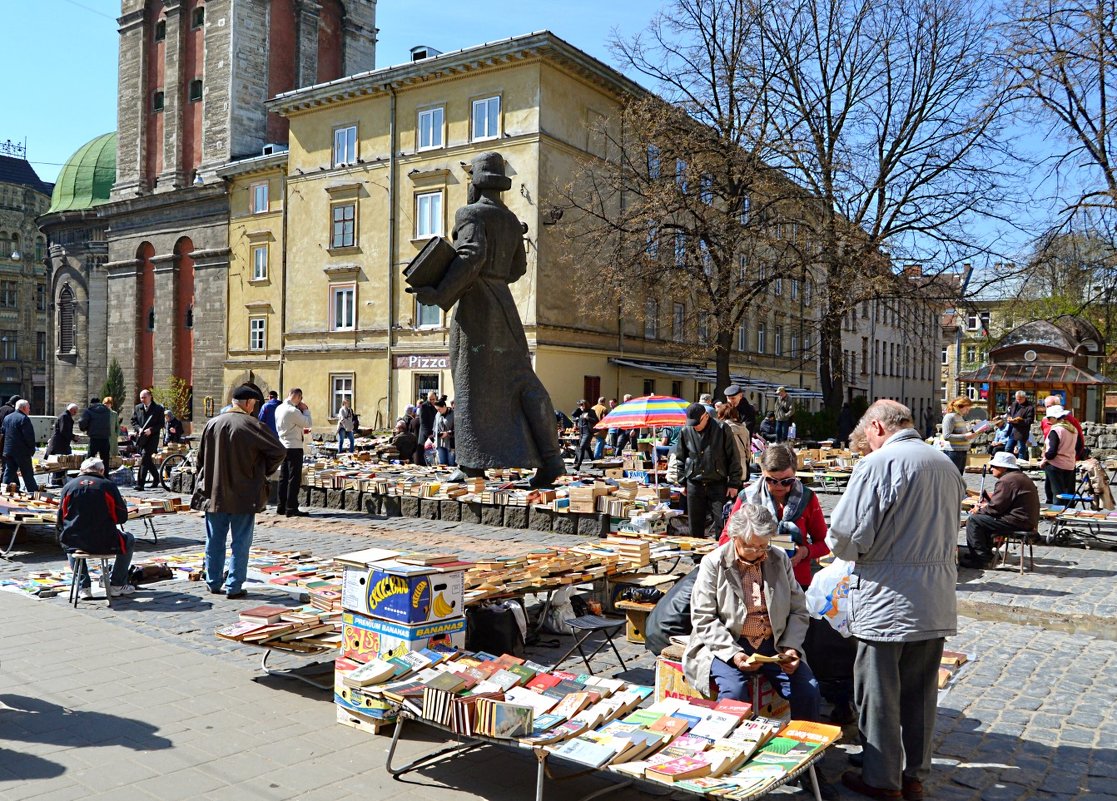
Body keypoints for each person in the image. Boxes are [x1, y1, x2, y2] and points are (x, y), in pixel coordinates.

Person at [826, 400, 964, 801]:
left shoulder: (878, 464)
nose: (866, 442)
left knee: (879, 693)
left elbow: (847, 535)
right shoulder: (944, 464)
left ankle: (881, 779)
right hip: (935, 596)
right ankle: (914, 775)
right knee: (921, 694)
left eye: (866, 434)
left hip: (888, 597)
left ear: (877, 427)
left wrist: (853, 553)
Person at [684, 503, 820, 720]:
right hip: (728, 643)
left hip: (773, 642)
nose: (757, 552)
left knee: (808, 689)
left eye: (762, 546)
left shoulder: (778, 557)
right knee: (735, 694)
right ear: (734, 537)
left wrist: (791, 647)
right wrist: (735, 655)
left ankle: (803, 747)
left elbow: (798, 609)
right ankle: (730, 748)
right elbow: (704, 618)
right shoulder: (713, 562)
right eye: (750, 546)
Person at [192, 383, 286, 598]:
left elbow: (200, 461)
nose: (253, 408)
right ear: (247, 403)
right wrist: (263, 471)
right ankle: (234, 585)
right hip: (244, 493)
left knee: (214, 539)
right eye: (253, 404)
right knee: (241, 542)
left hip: (214, 493)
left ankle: (213, 581)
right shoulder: (252, 424)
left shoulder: (212, 424)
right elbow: (279, 451)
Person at [721, 444, 829, 590]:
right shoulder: (748, 497)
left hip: (796, 580)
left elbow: (826, 543)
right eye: (771, 480)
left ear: (795, 475)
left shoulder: (807, 498)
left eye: (787, 481)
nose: (779, 486)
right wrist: (752, 548)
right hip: (755, 580)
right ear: (763, 474)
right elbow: (725, 540)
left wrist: (804, 552)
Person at [57, 457, 135, 599]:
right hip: (105, 540)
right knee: (128, 539)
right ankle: (116, 584)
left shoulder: (68, 486)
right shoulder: (108, 486)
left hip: (76, 540)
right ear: (101, 471)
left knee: (68, 540)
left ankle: (83, 587)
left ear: (81, 470)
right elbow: (121, 517)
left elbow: (61, 519)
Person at [666, 402, 743, 538]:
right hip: (694, 483)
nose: (695, 426)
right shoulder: (686, 431)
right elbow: (680, 458)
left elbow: (733, 457)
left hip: (717, 482)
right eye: (692, 423)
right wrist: (682, 481)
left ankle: (721, 552)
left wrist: (734, 483)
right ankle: (697, 556)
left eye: (697, 423)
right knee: (695, 525)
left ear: (706, 416)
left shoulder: (722, 428)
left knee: (721, 523)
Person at [960, 451, 1040, 569]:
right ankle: (985, 553)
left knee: (974, 520)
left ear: (1003, 467)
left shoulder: (1007, 480)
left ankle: (980, 558)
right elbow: (1000, 504)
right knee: (983, 520)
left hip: (1018, 521)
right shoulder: (1018, 477)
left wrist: (979, 510)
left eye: (994, 466)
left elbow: (995, 508)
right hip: (1023, 520)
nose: (991, 469)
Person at [275, 388, 312, 517]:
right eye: (300, 399)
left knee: (283, 477)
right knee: (294, 477)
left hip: (282, 444)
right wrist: (306, 409)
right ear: (297, 397)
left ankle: (281, 506)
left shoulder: (279, 408)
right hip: (294, 446)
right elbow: (307, 423)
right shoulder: (293, 410)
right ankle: (291, 507)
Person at [1041, 405, 1078, 504]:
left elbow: (1052, 452)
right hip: (1069, 464)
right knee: (1065, 493)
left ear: (1054, 418)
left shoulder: (1056, 430)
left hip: (1056, 465)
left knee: (1057, 494)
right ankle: (1063, 514)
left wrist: (1045, 456)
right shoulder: (1073, 429)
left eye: (1049, 418)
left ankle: (1058, 517)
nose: (1048, 420)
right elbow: (1077, 447)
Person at [130, 389, 165, 491]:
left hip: (152, 438)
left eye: (144, 397)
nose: (142, 400)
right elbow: (133, 421)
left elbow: (161, 424)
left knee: (145, 457)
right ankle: (157, 477)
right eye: (141, 398)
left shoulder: (158, 409)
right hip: (141, 438)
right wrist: (138, 429)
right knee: (147, 459)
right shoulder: (138, 408)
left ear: (150, 397)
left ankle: (140, 484)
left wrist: (151, 430)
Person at [2, 399, 38, 492]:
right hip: (22, 452)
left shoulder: (7, 418)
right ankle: (33, 493)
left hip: (8, 451)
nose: (29, 410)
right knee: (27, 474)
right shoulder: (24, 418)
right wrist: (31, 450)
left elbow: (3, 433)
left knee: (8, 472)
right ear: (24, 408)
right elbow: (29, 437)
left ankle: (3, 491)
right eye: (28, 408)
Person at [1040, 395, 1086, 460]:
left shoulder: (1071, 420)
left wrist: (1075, 458)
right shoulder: (1045, 420)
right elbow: (1046, 439)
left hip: (1066, 459)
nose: (1049, 409)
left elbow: (1080, 439)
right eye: (1047, 407)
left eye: (1051, 406)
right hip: (1050, 457)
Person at [940, 396, 977, 473]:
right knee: (953, 478)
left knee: (958, 478)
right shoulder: (949, 417)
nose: (967, 412)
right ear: (960, 406)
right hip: (953, 452)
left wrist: (973, 431)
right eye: (967, 409)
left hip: (962, 451)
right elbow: (946, 436)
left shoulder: (959, 417)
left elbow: (961, 432)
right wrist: (965, 436)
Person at [717, 404, 752, 483]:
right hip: (741, 469)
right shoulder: (744, 429)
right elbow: (748, 452)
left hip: (724, 470)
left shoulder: (720, 429)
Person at [46, 403, 79, 487]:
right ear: (71, 410)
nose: (76, 413)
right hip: (59, 445)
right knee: (59, 464)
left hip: (62, 444)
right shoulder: (64, 417)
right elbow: (64, 431)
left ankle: (59, 480)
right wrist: (73, 437)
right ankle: (57, 481)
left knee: (62, 463)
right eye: (75, 411)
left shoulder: (66, 416)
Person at [78, 397, 112, 463]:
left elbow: (82, 422)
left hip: (94, 437)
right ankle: (105, 473)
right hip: (105, 438)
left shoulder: (89, 410)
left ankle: (90, 472)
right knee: (105, 459)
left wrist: (84, 429)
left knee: (90, 459)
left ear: (91, 404)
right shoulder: (107, 410)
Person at [1005, 390, 1035, 460]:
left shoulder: (1029, 407)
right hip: (1012, 430)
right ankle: (1008, 463)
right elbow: (1008, 413)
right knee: (1008, 448)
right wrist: (1008, 417)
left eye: (1020, 399)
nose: (1018, 401)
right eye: (1017, 399)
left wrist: (1018, 421)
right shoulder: (1014, 404)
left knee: (1021, 449)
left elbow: (1029, 421)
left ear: (1024, 398)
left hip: (1021, 432)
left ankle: (1021, 464)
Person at [571, 400, 599, 471]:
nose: (581, 407)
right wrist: (578, 409)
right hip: (581, 433)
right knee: (588, 448)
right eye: (580, 405)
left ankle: (578, 465)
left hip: (588, 432)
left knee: (582, 447)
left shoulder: (591, 411)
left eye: (582, 405)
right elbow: (573, 414)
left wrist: (588, 418)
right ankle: (594, 463)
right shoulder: (581, 412)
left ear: (586, 405)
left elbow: (596, 421)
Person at [414, 391, 438, 465]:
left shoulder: (436, 406)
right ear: (428, 398)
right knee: (423, 454)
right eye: (430, 399)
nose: (432, 401)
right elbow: (423, 422)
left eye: (433, 399)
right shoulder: (424, 406)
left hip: (433, 432)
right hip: (426, 434)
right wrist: (429, 434)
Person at [434, 400, 455, 466]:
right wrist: (437, 435)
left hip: (450, 443)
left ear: (444, 406)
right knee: (442, 464)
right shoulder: (437, 414)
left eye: (439, 409)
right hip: (440, 442)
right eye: (437, 409)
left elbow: (458, 429)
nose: (438, 411)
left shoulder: (453, 414)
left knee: (451, 463)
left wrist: (447, 433)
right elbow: (434, 427)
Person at [103, 397, 120, 463]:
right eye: (105, 403)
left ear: (111, 404)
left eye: (108, 403)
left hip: (112, 436)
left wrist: (116, 434)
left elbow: (117, 426)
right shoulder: (101, 413)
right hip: (103, 436)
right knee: (104, 453)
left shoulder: (114, 414)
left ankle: (112, 465)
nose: (107, 405)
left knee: (113, 454)